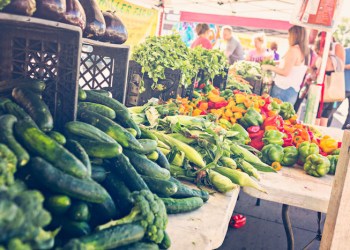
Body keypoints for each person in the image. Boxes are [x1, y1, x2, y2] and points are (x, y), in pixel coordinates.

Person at [261, 25, 308, 105]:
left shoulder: (293, 50)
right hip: (291, 91)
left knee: (275, 115)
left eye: (289, 35)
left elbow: (285, 72)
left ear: (295, 36)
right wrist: (276, 62)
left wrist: (269, 67)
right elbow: (291, 65)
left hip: (282, 90)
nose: (288, 38)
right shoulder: (303, 50)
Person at [314, 33, 345, 127]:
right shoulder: (337, 59)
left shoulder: (328, 59)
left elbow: (325, 69)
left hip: (324, 90)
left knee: (317, 118)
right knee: (324, 118)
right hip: (331, 92)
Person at [342, 47, 350, 129]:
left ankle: (344, 133)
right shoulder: (345, 51)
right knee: (330, 111)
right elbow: (338, 65)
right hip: (343, 87)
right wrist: (346, 66)